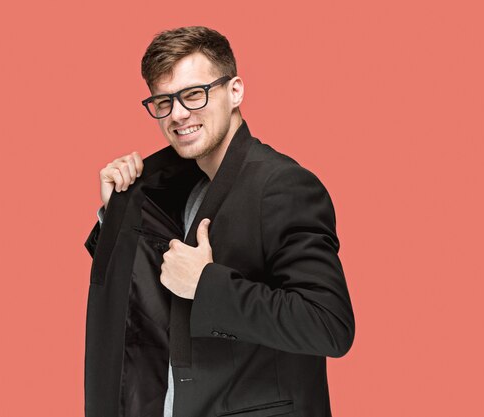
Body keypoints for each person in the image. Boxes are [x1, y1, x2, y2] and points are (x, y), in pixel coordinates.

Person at [84, 26, 355, 417]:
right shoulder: (176, 186)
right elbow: (147, 304)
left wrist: (206, 285)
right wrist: (119, 215)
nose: (177, 114)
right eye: (163, 101)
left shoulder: (282, 185)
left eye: (194, 95)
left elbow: (328, 324)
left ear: (235, 92)